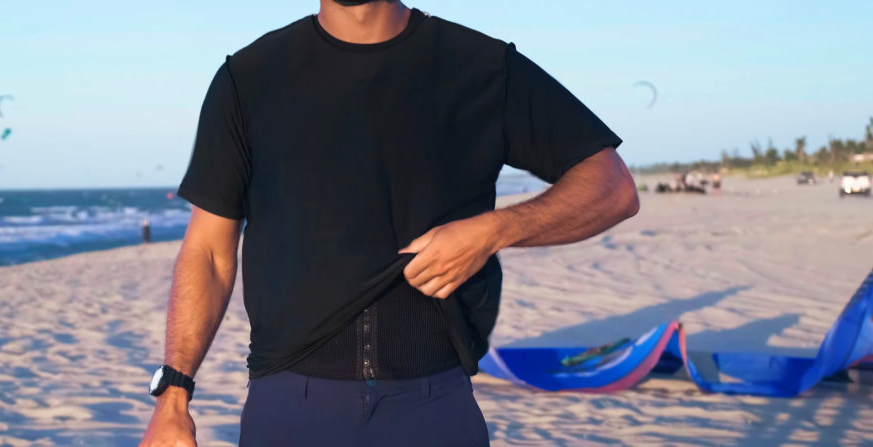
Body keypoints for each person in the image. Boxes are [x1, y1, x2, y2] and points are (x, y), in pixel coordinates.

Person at [138, 1, 639, 446]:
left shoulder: (480, 65)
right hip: (290, 404)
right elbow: (208, 250)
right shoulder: (247, 79)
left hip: (435, 401)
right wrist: (173, 397)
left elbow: (611, 186)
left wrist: (493, 230)